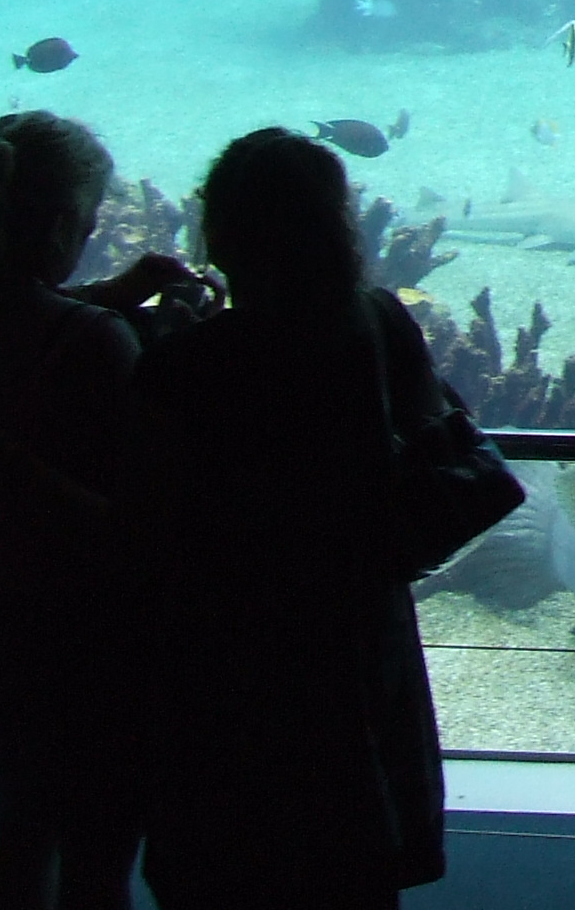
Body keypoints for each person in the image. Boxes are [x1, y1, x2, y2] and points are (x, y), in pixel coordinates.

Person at [122, 127, 451, 910]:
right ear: (337, 226)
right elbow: (437, 443)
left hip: (221, 652)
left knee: (223, 863)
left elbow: (147, 521)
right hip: (351, 634)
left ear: (222, 234)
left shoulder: (182, 364)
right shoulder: (375, 324)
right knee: (353, 853)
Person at [0, 113, 200, 910]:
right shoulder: (96, 341)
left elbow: (11, 325)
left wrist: (106, 296)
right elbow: (143, 521)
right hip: (82, 628)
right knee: (100, 845)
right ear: (67, 220)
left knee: (23, 822)